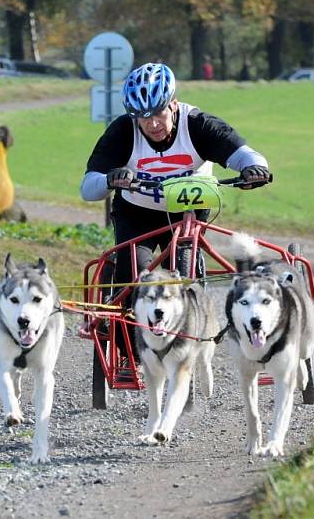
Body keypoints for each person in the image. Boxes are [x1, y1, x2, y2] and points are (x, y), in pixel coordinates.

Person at [79, 62, 270, 371]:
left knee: (182, 277)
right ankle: (130, 351)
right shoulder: (122, 131)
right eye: (144, 116)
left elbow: (243, 153)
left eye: (159, 113)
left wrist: (253, 168)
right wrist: (110, 179)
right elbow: (88, 188)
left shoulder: (198, 124)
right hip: (136, 214)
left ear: (174, 104)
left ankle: (188, 335)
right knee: (135, 275)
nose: (153, 123)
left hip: (187, 214)